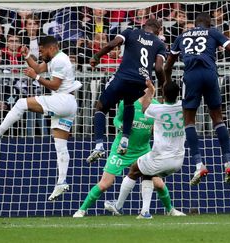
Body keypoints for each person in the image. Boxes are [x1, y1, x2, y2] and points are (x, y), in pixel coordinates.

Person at [0, 36, 82, 201]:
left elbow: (53, 84)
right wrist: (27, 57)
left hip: (63, 99)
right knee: (60, 146)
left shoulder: (61, 60)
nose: (40, 54)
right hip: (68, 104)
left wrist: (36, 78)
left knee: (21, 103)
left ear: (51, 48)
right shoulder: (54, 58)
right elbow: (38, 68)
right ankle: (62, 181)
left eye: (41, 51)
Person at [73, 87, 184, 218]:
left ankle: (170, 210)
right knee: (105, 184)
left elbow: (159, 125)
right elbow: (116, 119)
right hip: (121, 150)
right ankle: (81, 210)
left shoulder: (156, 106)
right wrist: (121, 125)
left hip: (143, 149)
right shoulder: (127, 103)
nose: (147, 91)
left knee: (158, 183)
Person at [164, 12, 230, 185]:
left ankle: (199, 165)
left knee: (189, 121)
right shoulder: (213, 32)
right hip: (210, 75)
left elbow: (168, 63)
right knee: (217, 118)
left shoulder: (183, 35)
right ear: (209, 23)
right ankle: (228, 163)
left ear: (195, 23)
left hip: (191, 76)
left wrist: (167, 82)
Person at [87, 18, 166, 162]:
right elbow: (159, 68)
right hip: (141, 82)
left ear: (143, 26)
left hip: (123, 78)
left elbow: (113, 44)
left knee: (100, 108)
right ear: (158, 31)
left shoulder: (131, 32)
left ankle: (99, 146)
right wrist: (163, 86)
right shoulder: (160, 44)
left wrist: (97, 56)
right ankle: (125, 140)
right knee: (129, 102)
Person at [104, 80, 185, 219]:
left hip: (161, 157)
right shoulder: (184, 107)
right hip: (178, 159)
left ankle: (118, 206)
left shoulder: (156, 109)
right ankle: (145, 212)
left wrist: (151, 91)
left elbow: (144, 107)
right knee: (147, 172)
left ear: (163, 95)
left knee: (134, 169)